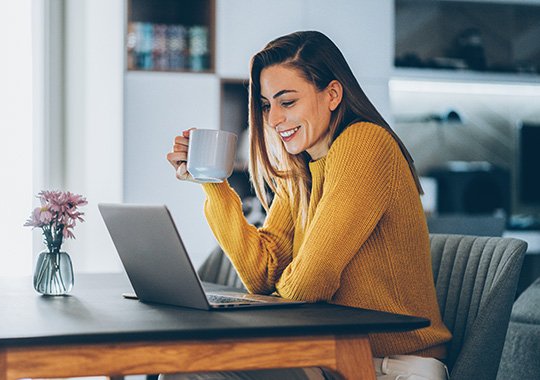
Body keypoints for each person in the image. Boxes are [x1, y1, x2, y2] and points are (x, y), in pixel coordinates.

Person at [166, 31, 452, 380]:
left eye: (287, 102)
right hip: (329, 352)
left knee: (193, 372)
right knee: (186, 368)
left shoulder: (365, 143)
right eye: (267, 105)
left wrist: (274, 300)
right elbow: (262, 274)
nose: (272, 120)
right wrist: (212, 183)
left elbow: (309, 284)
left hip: (391, 364)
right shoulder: (301, 168)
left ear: (332, 94)